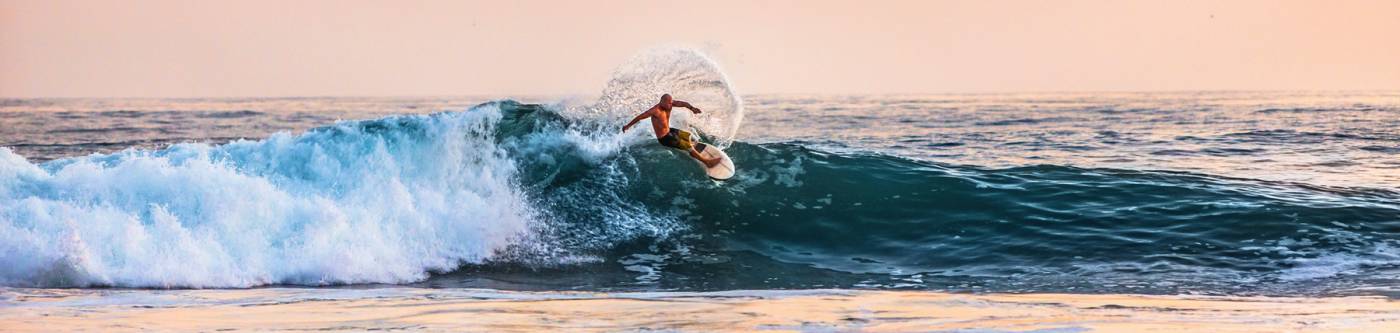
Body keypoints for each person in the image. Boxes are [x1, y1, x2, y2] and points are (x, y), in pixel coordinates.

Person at [621, 94, 723, 167]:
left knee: (688, 135)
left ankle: (691, 148)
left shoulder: (669, 104)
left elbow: (682, 103)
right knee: (687, 145)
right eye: (669, 103)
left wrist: (692, 108)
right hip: (664, 138)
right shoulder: (655, 111)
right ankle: (707, 162)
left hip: (670, 130)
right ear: (662, 102)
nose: (671, 105)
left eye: (671, 102)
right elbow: (639, 117)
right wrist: (628, 126)